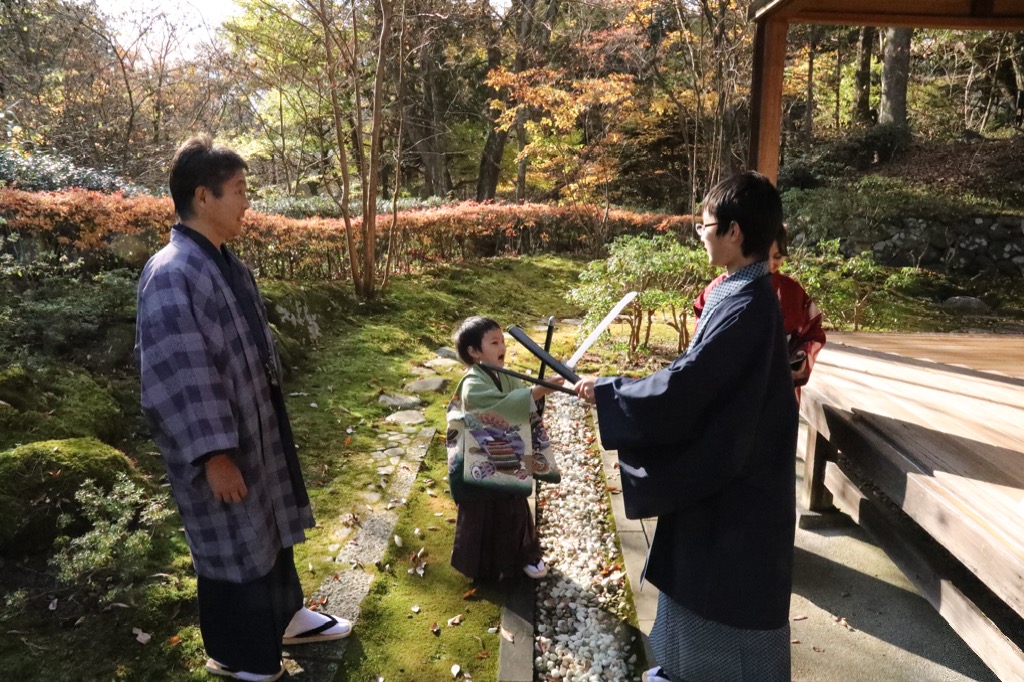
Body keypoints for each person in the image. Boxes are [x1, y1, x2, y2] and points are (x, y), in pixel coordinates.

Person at [136, 136, 351, 682]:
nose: (247, 202)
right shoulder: (171, 272)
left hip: (256, 425)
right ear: (202, 196)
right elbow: (177, 374)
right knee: (233, 543)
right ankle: (238, 655)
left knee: (269, 530)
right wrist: (214, 455)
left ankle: (288, 616)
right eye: (238, 190)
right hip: (220, 445)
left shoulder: (226, 263)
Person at [574, 172, 798, 682]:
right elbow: (698, 379)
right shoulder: (743, 292)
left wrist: (612, 392)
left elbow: (688, 387)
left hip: (736, 489)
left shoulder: (746, 304)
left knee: (722, 594)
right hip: (732, 474)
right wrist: (616, 390)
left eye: (705, 226)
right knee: (702, 584)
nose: (700, 235)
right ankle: (678, 670)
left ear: (735, 232)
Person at [447, 316, 560, 582]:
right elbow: (491, 407)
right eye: (494, 342)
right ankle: (484, 567)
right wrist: (534, 394)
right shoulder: (472, 383)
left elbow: (520, 404)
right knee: (482, 512)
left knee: (513, 504)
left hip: (504, 455)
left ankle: (525, 555)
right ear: (474, 351)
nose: (502, 347)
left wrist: (534, 399)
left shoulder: (506, 377)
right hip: (477, 458)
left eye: (502, 341)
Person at [694, 226, 826, 392]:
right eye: (763, 257)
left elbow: (812, 330)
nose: (770, 264)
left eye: (777, 257)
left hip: (779, 387)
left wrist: (800, 359)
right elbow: (702, 345)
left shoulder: (791, 290)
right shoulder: (716, 290)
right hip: (730, 388)